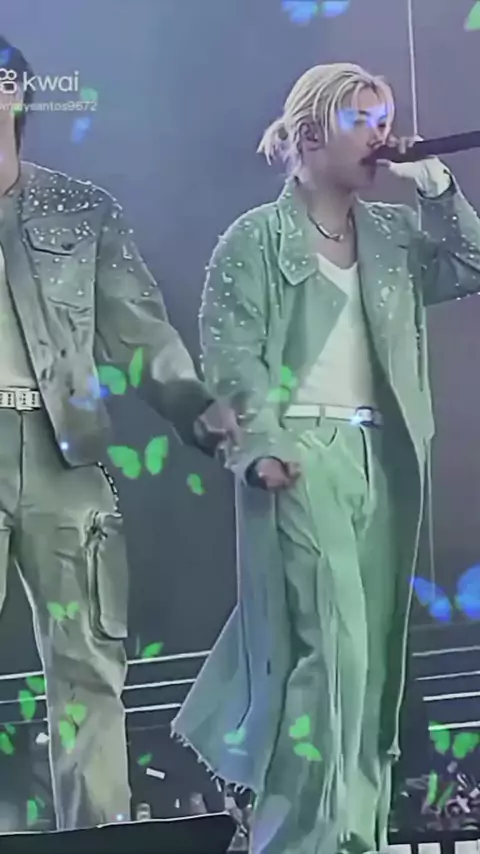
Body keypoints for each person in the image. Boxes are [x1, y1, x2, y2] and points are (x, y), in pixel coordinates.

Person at [172, 63, 480, 853]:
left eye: (386, 120)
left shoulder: (393, 236)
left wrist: (438, 187)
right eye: (362, 121)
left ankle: (358, 837)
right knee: (329, 654)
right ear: (311, 134)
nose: (382, 136)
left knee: (372, 665)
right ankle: (298, 838)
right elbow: (232, 361)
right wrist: (262, 448)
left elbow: (473, 264)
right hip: (301, 453)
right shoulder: (254, 239)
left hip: (384, 456)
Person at [0, 35, 239, 830]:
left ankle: (98, 836)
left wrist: (196, 405)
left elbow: (140, 332)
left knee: (90, 669)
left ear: (14, 93)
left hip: (63, 457)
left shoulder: (80, 209)